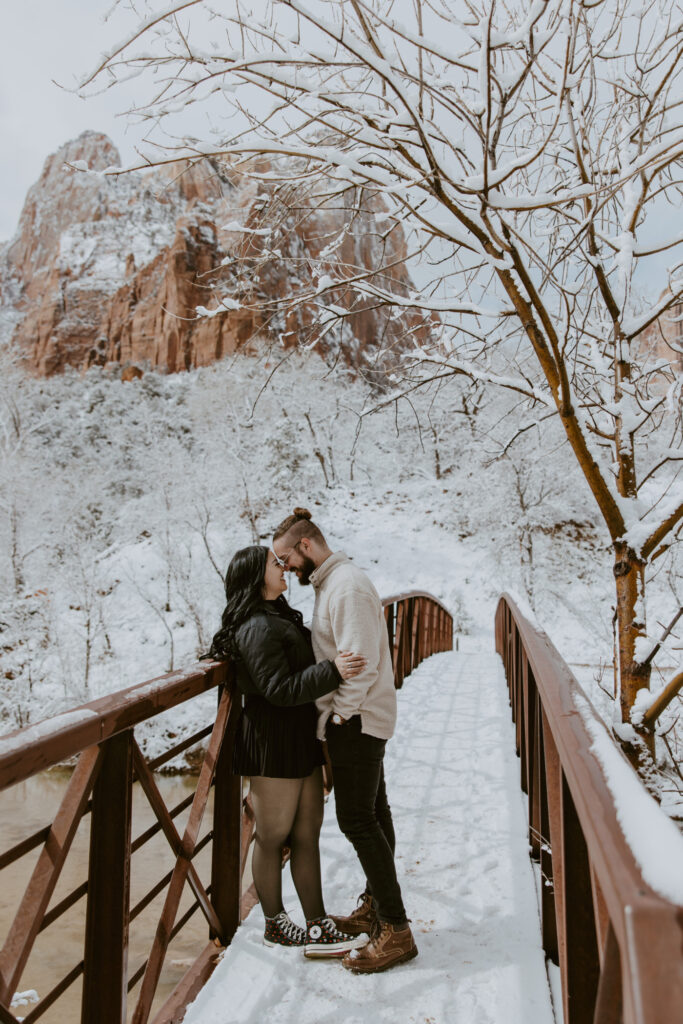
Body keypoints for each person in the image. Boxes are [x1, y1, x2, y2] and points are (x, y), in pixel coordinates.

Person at [272, 509, 418, 973]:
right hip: (359, 718)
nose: (286, 568)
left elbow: (362, 662)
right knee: (374, 813)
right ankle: (379, 909)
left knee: (357, 820)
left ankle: (396, 930)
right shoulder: (333, 584)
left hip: (355, 721)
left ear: (306, 546)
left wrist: (338, 717)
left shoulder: (347, 586)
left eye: (286, 558)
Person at [205, 544, 367, 957]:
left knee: (307, 833)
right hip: (272, 741)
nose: (284, 568)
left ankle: (317, 924)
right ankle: (275, 923)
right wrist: (332, 672)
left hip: (299, 737)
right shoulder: (257, 626)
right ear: (255, 578)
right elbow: (277, 690)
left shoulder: (277, 615)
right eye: (274, 565)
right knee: (272, 836)